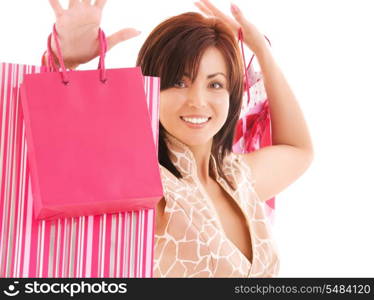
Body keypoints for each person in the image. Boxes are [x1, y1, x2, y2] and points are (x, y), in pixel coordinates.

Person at [46, 0, 314, 277]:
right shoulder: (143, 185)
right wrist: (64, 66)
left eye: (215, 84)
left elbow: (298, 148)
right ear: (149, 88)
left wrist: (261, 52)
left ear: (232, 95)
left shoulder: (236, 176)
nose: (197, 101)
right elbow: (60, 161)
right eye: (179, 82)